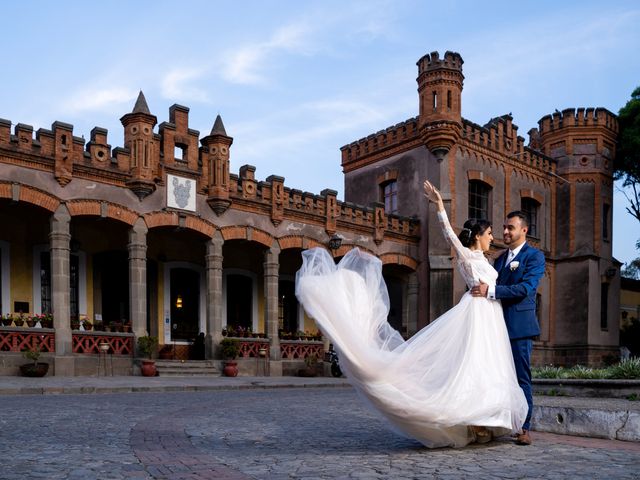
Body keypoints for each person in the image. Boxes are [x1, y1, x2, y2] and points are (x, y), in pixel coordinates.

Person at [294, 180, 527, 448]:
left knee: (490, 366)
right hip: (477, 316)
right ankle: (471, 417)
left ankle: (486, 422)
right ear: (476, 236)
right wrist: (440, 205)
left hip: (491, 317)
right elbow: (450, 234)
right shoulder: (468, 257)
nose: (492, 237)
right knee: (471, 366)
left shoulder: (490, 261)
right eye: (488, 233)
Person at [471, 211, 545, 446]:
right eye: (503, 227)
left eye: (510, 227)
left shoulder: (535, 257)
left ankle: (524, 428)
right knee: (494, 376)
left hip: (519, 328)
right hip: (495, 327)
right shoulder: (500, 259)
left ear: (524, 230)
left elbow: (526, 288)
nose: (505, 232)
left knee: (521, 378)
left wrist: (490, 292)